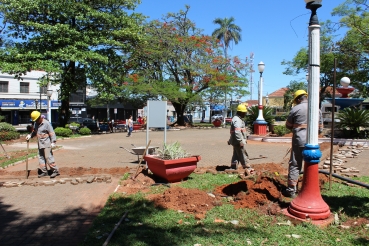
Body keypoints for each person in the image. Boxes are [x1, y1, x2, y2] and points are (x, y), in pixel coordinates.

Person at [283, 90, 323, 197]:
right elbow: (320, 129)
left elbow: (288, 125)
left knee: (295, 164)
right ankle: (309, 188)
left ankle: (291, 190)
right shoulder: (316, 109)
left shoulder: (295, 109)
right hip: (312, 142)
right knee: (311, 164)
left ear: (298, 99)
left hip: (299, 141)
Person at [26, 111, 60, 178]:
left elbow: (52, 133)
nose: (37, 121)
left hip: (47, 144)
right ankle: (44, 171)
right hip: (40, 144)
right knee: (41, 158)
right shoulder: (36, 124)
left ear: (40, 117)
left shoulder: (46, 123)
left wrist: (53, 142)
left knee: (48, 158)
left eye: (37, 119)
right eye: (35, 120)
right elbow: (35, 131)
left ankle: (55, 171)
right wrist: (30, 136)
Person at [228, 103, 254, 175]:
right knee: (243, 153)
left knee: (236, 154)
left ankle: (233, 166)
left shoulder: (238, 119)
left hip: (235, 140)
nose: (245, 114)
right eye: (244, 113)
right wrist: (240, 141)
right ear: (240, 112)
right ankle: (247, 167)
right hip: (238, 140)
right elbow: (237, 131)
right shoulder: (237, 120)